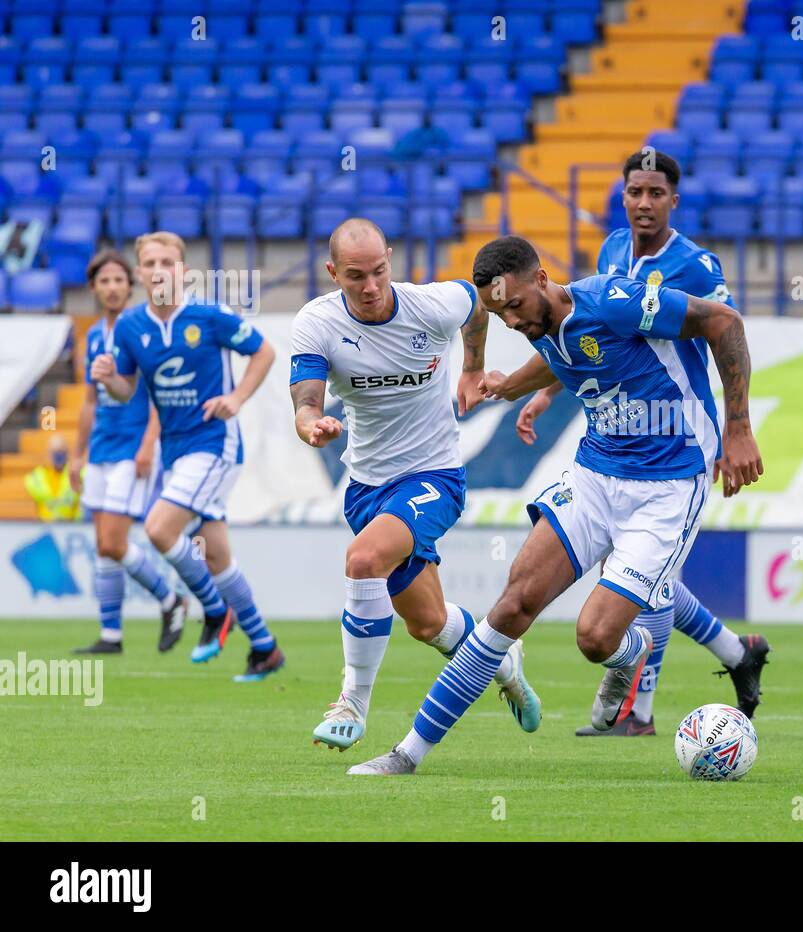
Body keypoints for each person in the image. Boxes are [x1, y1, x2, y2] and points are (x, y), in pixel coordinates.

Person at [346, 234, 762, 775]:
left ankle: (625, 651)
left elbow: (723, 322)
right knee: (513, 605)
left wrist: (738, 428)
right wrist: (511, 389)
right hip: (595, 475)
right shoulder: (540, 323)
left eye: (515, 305)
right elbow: (560, 357)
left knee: (594, 638)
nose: (512, 322)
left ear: (542, 279)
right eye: (499, 314)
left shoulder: (614, 301)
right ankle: (407, 754)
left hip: (669, 485)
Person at [508, 150, 769, 736]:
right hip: (622, 437)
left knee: (634, 579)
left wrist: (738, 427)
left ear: (674, 200)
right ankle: (735, 653)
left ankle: (638, 712)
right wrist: (548, 393)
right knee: (636, 574)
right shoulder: (609, 254)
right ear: (622, 197)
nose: (644, 202)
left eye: (656, 192)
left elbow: (727, 329)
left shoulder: (696, 266)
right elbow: (589, 338)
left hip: (677, 437)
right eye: (635, 192)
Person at [289, 218, 539, 751]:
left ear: (391, 260)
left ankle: (352, 704)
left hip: (434, 478)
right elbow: (306, 400)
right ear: (334, 273)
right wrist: (311, 423)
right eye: (355, 276)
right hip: (367, 488)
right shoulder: (317, 323)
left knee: (362, 561)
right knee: (427, 624)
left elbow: (477, 307)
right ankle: (502, 658)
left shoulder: (434, 303)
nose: (371, 286)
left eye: (379, 271)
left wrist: (473, 368)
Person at [89, 231, 284, 682]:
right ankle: (264, 648)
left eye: (168, 262)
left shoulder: (209, 315)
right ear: (141, 273)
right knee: (216, 557)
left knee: (158, 528)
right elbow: (127, 388)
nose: (159, 270)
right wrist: (107, 379)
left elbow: (264, 352)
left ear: (183, 270)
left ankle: (214, 612)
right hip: (175, 450)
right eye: (151, 263)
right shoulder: (132, 327)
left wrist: (235, 397)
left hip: (215, 444)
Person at [69, 249, 187, 655]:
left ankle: (170, 600)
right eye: (105, 281)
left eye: (120, 279)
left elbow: (158, 392)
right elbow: (89, 400)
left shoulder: (142, 328)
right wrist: (76, 454)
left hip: (132, 448)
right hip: (101, 447)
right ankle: (111, 635)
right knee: (103, 544)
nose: (113, 287)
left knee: (114, 542)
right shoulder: (92, 337)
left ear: (129, 284)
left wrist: (148, 443)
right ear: (94, 288)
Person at [25, 434, 81, 522]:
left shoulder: (78, 474)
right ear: (48, 453)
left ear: (67, 452)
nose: (58, 455)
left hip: (72, 526)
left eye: (62, 451)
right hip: (46, 527)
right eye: (55, 451)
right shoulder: (35, 477)